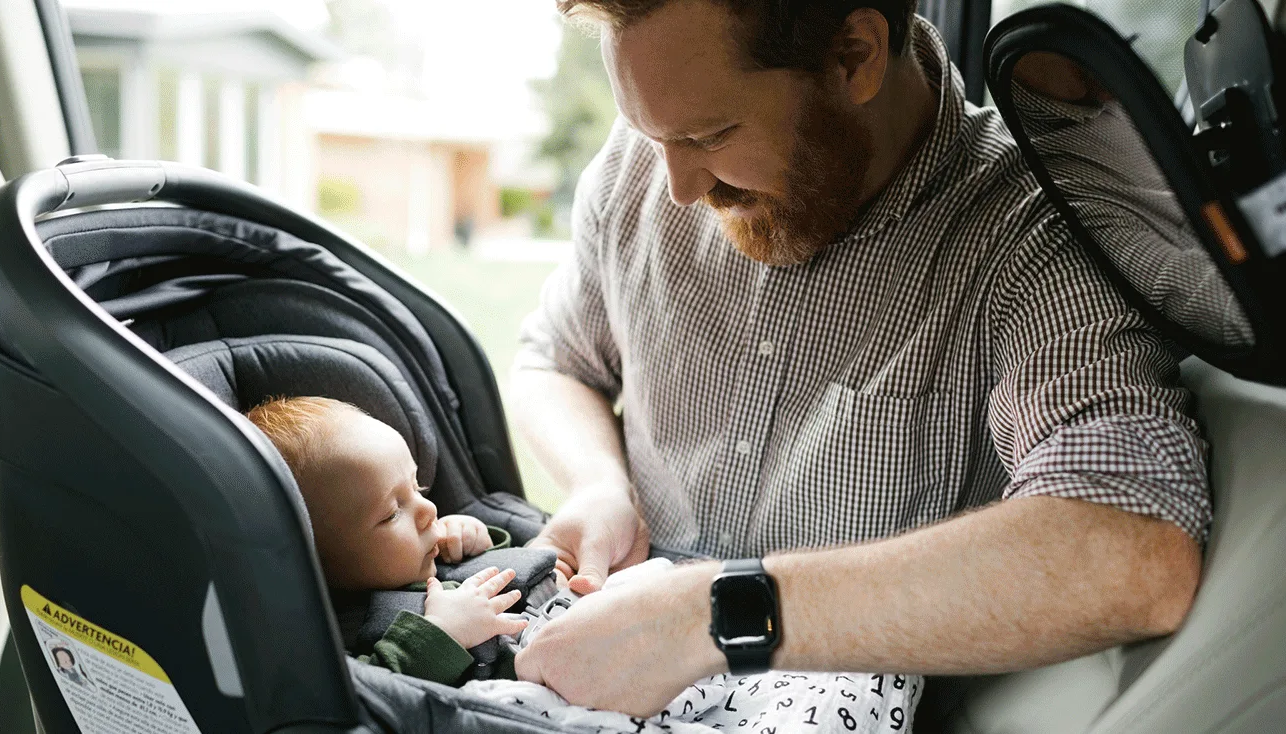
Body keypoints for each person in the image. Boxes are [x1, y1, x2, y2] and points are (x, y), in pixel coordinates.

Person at [510, 0, 1211, 718]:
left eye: (712, 134)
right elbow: (555, 362)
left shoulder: (1028, 238)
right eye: (650, 134)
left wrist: (713, 616)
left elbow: (1132, 551)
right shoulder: (650, 160)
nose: (680, 188)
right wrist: (600, 486)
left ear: (854, 55)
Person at [246, 396, 529, 684]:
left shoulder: (424, 557)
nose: (429, 510)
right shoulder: (344, 633)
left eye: (417, 486)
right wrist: (442, 631)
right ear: (318, 562)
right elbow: (377, 694)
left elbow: (502, 584)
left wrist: (474, 541)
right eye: (392, 514)